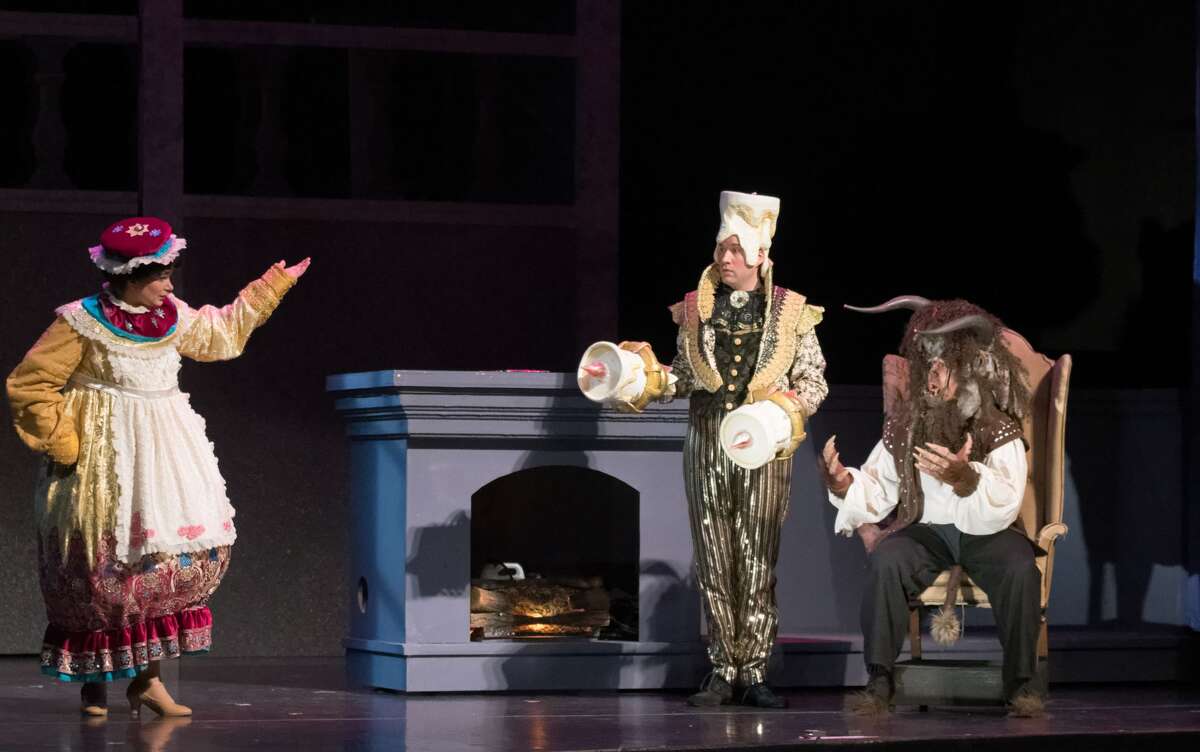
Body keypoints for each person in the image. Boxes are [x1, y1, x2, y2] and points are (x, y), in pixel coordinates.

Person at [6, 216, 309, 718]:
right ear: (130, 274)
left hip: (164, 452)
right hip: (106, 460)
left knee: (159, 560)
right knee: (102, 568)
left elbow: (221, 335)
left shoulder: (171, 315)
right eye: (160, 276)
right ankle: (94, 685)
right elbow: (30, 383)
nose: (170, 285)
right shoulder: (80, 321)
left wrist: (271, 286)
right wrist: (65, 443)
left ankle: (147, 681)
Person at [634, 190, 827, 708]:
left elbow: (813, 383)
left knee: (757, 557)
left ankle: (756, 668)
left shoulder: (792, 312)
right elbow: (685, 379)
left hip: (763, 448)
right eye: (723, 248)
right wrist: (646, 379)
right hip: (705, 442)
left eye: (738, 250)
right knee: (715, 556)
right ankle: (723, 669)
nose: (726, 258)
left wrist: (781, 411)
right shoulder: (695, 310)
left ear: (761, 255)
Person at [820, 296, 1044, 717]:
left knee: (1019, 569)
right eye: (928, 363)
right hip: (928, 531)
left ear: (967, 365)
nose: (935, 376)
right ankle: (879, 681)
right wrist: (843, 481)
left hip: (988, 533)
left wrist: (967, 478)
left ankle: (1020, 684)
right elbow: (878, 485)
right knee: (887, 560)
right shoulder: (907, 423)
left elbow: (1008, 497)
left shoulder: (994, 425)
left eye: (945, 364)